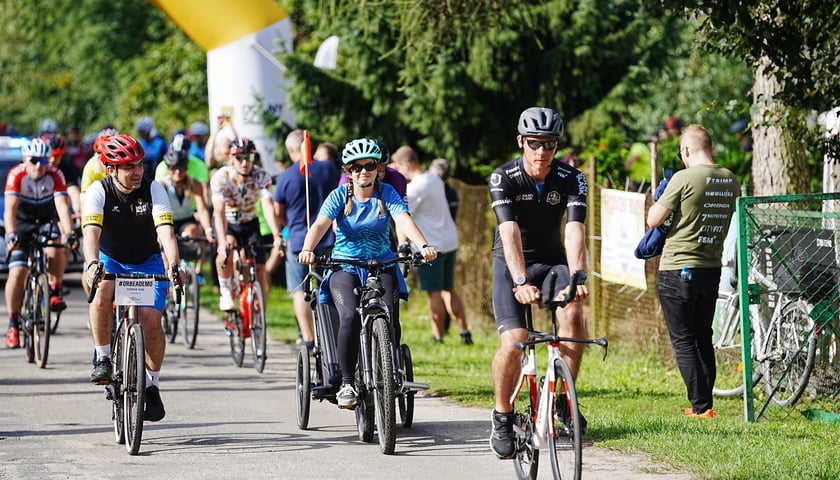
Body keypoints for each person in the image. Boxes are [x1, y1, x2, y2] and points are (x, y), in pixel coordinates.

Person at [297, 138, 437, 408]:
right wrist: (307, 249)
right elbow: (320, 224)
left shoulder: (387, 194)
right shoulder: (340, 196)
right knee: (348, 315)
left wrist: (424, 245)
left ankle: (390, 364)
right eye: (357, 167)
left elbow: (403, 219)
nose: (364, 172)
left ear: (378, 167)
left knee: (389, 312)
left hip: (381, 263)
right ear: (348, 170)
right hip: (345, 265)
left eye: (370, 165)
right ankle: (348, 382)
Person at [487, 107, 589, 459]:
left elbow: (575, 231)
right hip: (510, 263)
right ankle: (502, 415)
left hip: (551, 261)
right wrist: (518, 281)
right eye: (534, 143)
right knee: (515, 341)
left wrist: (578, 276)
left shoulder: (572, 178)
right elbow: (508, 231)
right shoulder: (504, 178)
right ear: (521, 142)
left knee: (574, 316)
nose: (541, 151)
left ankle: (563, 399)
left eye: (549, 144)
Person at [82, 134, 182, 422]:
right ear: (111, 169)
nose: (137, 172)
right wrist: (92, 264)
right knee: (101, 289)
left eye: (139, 165)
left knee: (151, 319)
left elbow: (166, 233)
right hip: (111, 257)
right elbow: (91, 233)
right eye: (129, 167)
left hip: (147, 259)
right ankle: (102, 356)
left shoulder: (154, 189)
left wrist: (173, 265)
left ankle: (151, 383)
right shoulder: (97, 191)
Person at [646, 124, 739, 419]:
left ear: (686, 151)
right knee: (702, 335)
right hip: (711, 267)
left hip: (678, 269)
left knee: (684, 339)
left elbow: (653, 219)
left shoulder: (684, 178)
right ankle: (705, 403)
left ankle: (701, 407)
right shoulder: (730, 180)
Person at [391, 147, 472, 345]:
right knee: (449, 288)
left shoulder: (414, 189)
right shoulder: (434, 179)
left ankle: (438, 336)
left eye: (399, 167)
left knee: (434, 292)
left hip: (431, 246)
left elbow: (402, 217)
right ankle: (464, 332)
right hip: (449, 240)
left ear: (407, 164)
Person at [4, 138, 76, 348]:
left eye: (44, 160)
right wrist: (11, 234)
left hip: (45, 220)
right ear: (25, 160)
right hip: (23, 223)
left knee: (55, 249)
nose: (39, 165)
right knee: (17, 273)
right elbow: (10, 210)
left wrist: (70, 232)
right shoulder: (16, 175)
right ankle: (13, 325)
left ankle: (54, 289)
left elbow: (62, 207)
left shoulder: (55, 174)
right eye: (34, 160)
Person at [274, 131, 340, 348]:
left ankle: (308, 338)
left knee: (299, 289)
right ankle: (332, 336)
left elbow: (278, 212)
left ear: (291, 150)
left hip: (299, 240)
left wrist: (290, 224)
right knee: (328, 286)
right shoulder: (329, 169)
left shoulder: (285, 177)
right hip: (328, 237)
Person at [211, 137, 282, 312]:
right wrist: (221, 242)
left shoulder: (260, 175)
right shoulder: (222, 177)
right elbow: (218, 211)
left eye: (248, 158)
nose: (244, 163)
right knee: (226, 250)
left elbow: (267, 206)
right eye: (239, 158)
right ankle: (226, 290)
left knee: (258, 268)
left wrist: (276, 235)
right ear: (231, 158)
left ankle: (256, 310)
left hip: (250, 222)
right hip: (228, 223)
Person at [157, 137, 215, 279]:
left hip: (186, 220)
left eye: (182, 169)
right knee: (163, 251)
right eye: (174, 169)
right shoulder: (162, 185)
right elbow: (157, 212)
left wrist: (208, 230)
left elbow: (202, 209)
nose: (178, 172)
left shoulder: (194, 183)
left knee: (197, 233)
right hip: (168, 221)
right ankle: (168, 280)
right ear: (168, 169)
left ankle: (196, 272)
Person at [136, 116, 167, 181]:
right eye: (139, 132)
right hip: (143, 178)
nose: (140, 134)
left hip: (157, 176)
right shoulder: (139, 143)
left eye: (142, 132)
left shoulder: (160, 143)